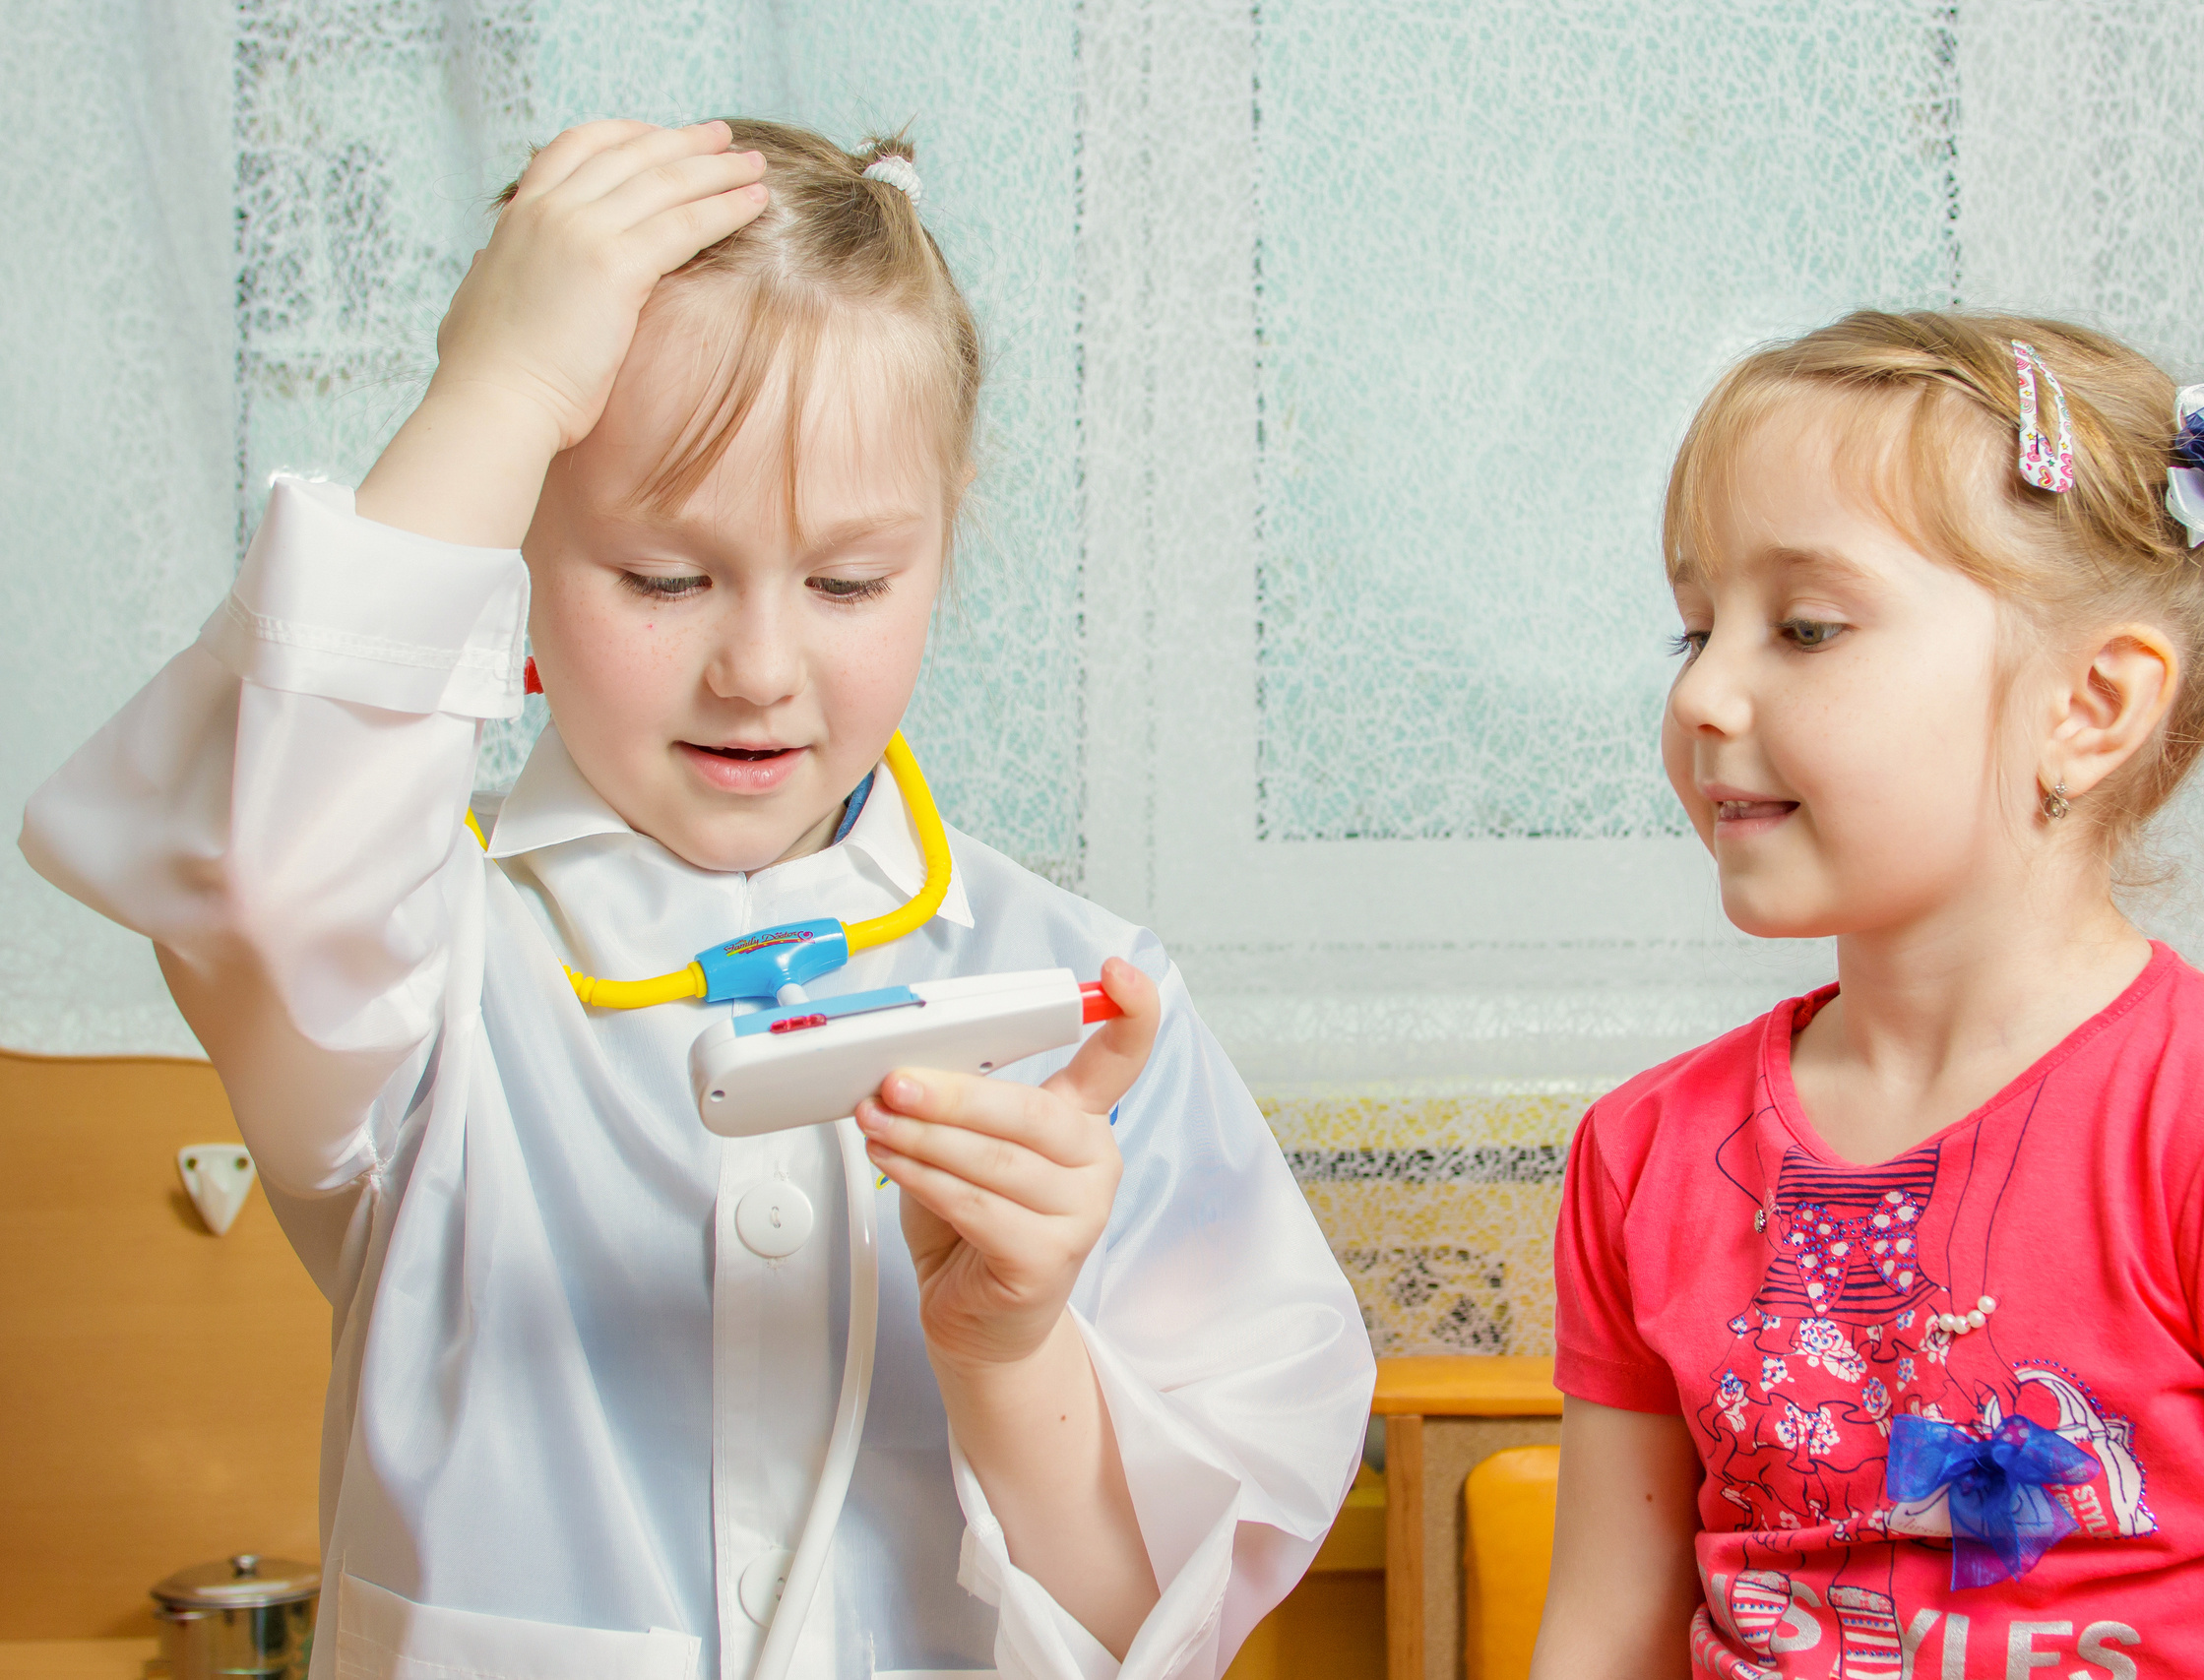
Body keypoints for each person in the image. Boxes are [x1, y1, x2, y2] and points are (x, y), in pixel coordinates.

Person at [21, 118, 1373, 1680]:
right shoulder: (410, 972)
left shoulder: (1082, 1003)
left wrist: (1011, 1354)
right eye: (664, 579)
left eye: (852, 582)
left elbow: (1168, 1617)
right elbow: (260, 861)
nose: (760, 671)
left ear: (947, 536)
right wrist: (503, 389)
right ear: (510, 555)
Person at [1533, 311, 2204, 1679]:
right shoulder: (1642, 1157)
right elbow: (1598, 1644)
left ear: (2091, 706)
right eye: (1692, 631)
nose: (1704, 694)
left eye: (1804, 628)